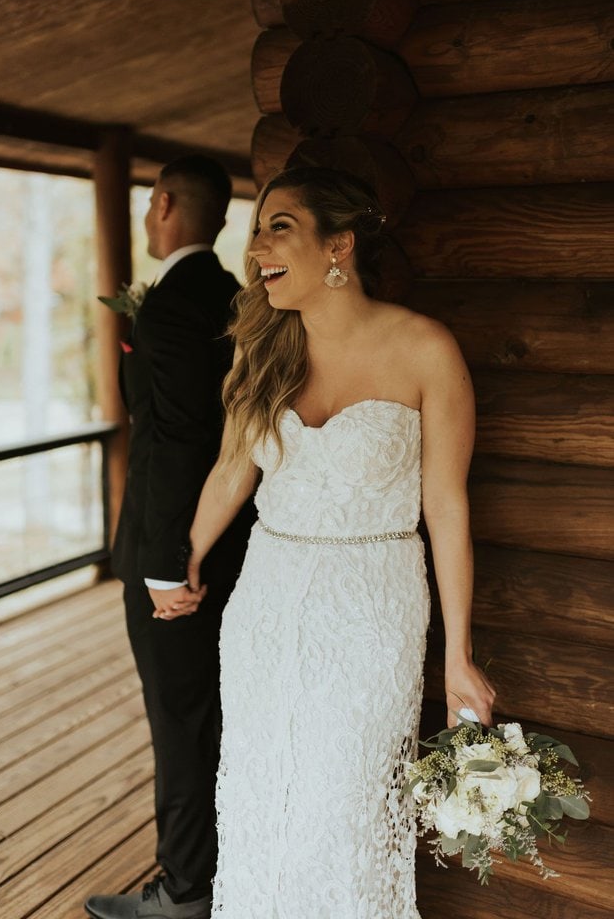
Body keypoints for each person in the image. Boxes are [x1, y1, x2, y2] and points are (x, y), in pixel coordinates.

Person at [183, 166, 496, 918]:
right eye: (256, 228)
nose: (256, 246)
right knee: (261, 794)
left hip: (371, 607)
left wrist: (458, 654)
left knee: (342, 806)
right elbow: (232, 470)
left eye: (277, 226)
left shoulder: (426, 349)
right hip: (265, 603)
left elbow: (447, 507)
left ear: (340, 246)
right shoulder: (261, 351)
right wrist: (185, 557)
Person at [85, 155, 254, 919]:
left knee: (180, 721)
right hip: (235, 549)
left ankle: (185, 889)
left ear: (161, 204)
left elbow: (179, 438)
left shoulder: (171, 306)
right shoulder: (232, 297)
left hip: (178, 562)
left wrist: (163, 564)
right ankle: (217, 870)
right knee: (211, 714)